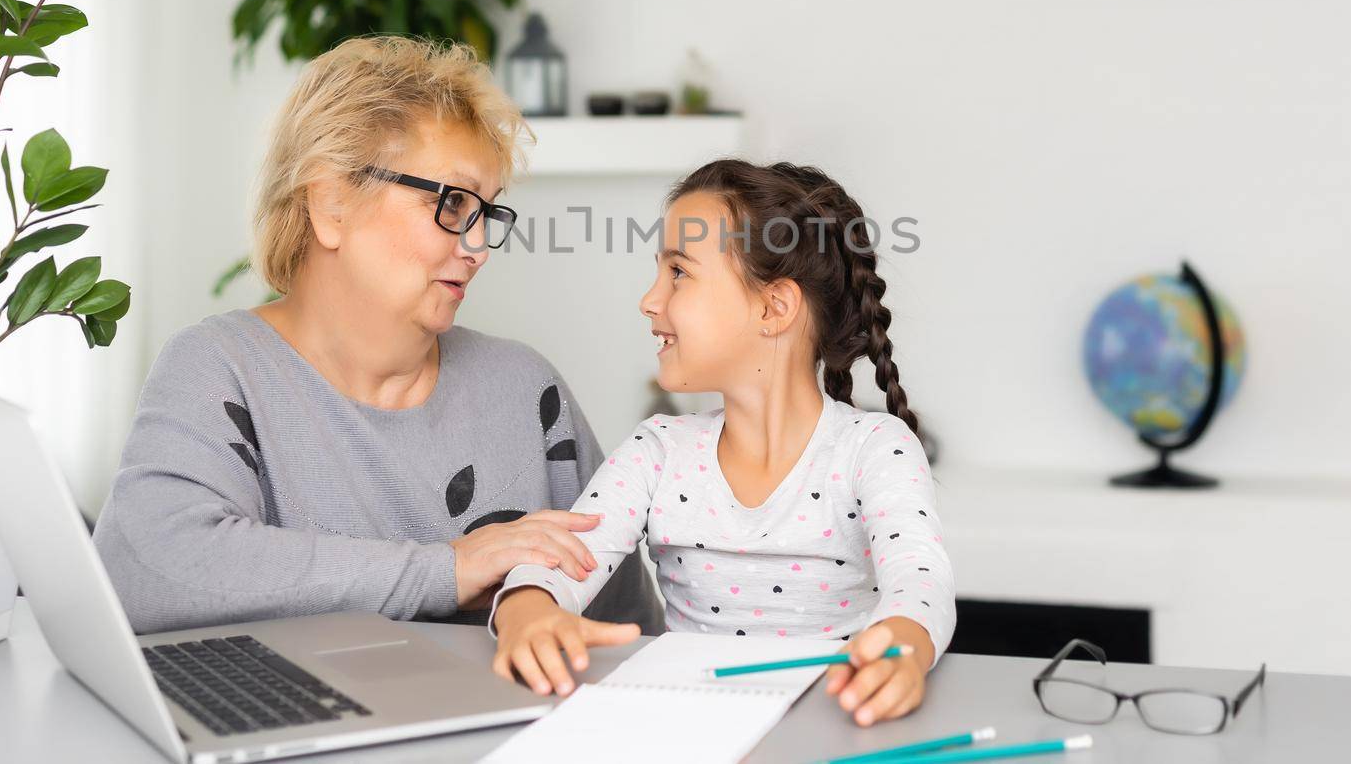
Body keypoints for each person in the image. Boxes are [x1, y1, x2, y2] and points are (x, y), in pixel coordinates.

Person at [92, 36, 661, 636]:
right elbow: (149, 570)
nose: (475, 249)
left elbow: (629, 635)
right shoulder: (218, 368)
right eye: (452, 204)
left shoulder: (528, 391)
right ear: (331, 202)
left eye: (485, 216)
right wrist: (446, 571)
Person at [489, 159, 954, 727]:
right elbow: (561, 564)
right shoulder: (657, 452)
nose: (650, 299)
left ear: (772, 307)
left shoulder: (875, 449)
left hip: (835, 722)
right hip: (691, 727)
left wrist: (902, 647)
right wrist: (527, 609)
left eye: (678, 273)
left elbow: (920, 581)